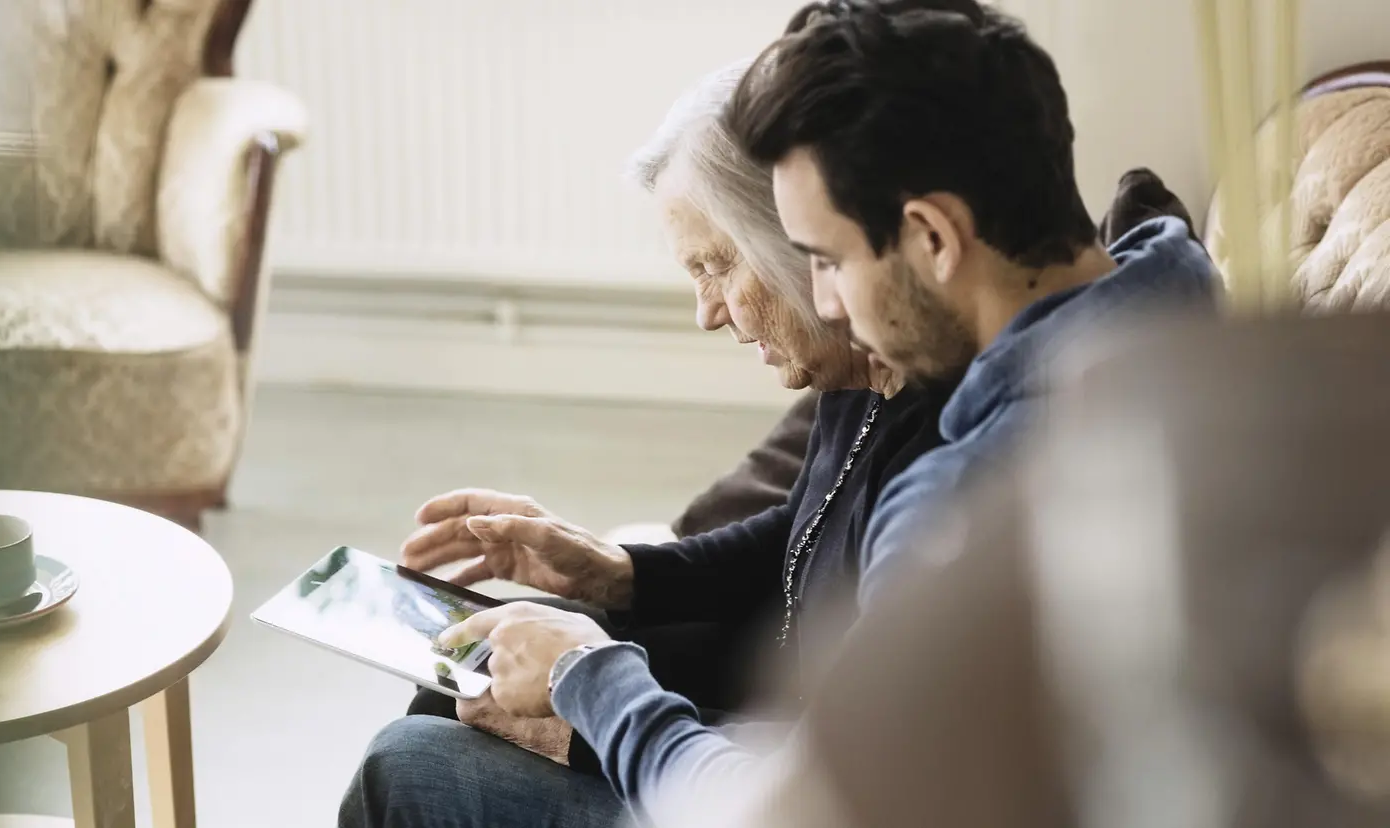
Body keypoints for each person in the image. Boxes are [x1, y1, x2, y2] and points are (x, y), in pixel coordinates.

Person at [344, 1, 1221, 825]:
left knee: (408, 762)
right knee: (472, 679)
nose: (826, 303)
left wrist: (591, 680)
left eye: (824, 258)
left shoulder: (961, 499)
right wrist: (624, 576)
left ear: (932, 237)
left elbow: (793, 809)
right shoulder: (1174, 299)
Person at [339, 56, 955, 828]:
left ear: (799, 237)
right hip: (764, 721)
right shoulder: (854, 372)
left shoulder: (945, 463)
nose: (707, 311)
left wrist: (586, 722)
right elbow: (803, 535)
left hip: (780, 778)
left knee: (405, 765)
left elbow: (826, 788)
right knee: (475, 662)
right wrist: (615, 573)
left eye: (718, 264)